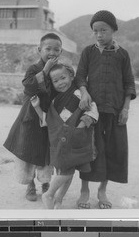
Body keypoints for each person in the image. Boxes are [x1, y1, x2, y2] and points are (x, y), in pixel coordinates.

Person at [75, 10, 136, 209]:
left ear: (113, 30)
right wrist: (84, 93)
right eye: (95, 31)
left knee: (112, 150)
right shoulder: (88, 52)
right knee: (89, 150)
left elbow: (129, 83)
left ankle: (102, 191)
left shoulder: (123, 54)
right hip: (92, 111)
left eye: (104, 30)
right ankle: (84, 190)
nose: (99, 34)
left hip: (115, 111)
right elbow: (80, 76)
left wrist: (125, 108)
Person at [3, 33, 62, 201]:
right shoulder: (33, 69)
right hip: (30, 116)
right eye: (48, 48)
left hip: (48, 117)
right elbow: (28, 88)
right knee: (28, 151)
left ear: (61, 51)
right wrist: (44, 71)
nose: (52, 52)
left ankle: (45, 183)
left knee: (46, 153)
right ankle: (30, 185)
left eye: (56, 49)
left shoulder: (59, 70)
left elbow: (62, 88)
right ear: (39, 50)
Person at [31, 63, 99, 209]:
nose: (60, 83)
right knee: (66, 171)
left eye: (63, 78)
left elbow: (92, 109)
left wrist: (81, 125)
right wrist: (37, 106)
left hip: (76, 137)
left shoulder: (80, 94)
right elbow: (47, 121)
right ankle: (49, 194)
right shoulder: (55, 101)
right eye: (55, 81)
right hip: (60, 141)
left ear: (71, 76)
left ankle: (58, 199)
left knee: (70, 171)